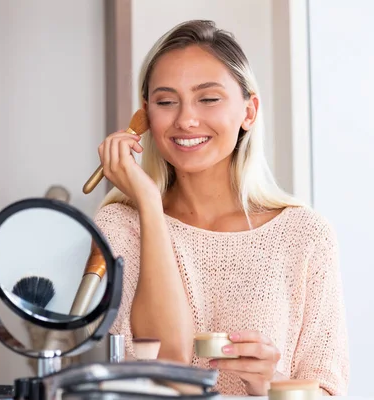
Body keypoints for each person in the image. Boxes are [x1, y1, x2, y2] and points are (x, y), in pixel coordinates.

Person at [92, 20, 349, 396]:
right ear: (145, 117)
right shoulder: (119, 225)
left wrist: (269, 381)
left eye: (208, 99)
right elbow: (169, 364)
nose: (185, 120)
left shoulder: (304, 234)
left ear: (249, 111)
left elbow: (329, 391)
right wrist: (148, 203)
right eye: (165, 102)